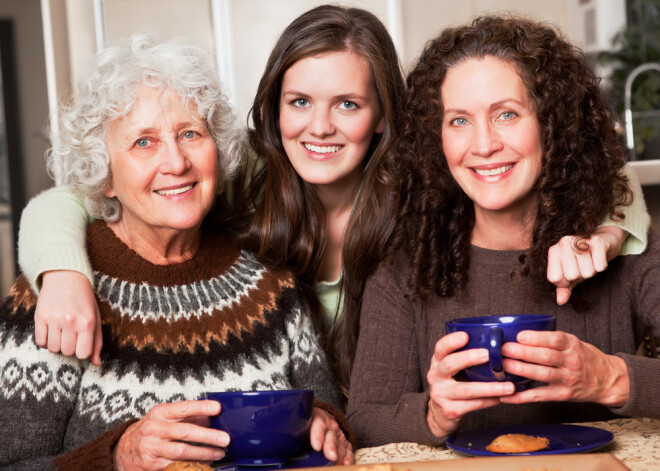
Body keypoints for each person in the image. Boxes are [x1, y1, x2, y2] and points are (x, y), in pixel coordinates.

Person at [17, 6, 648, 399]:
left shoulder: (425, 190)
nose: (319, 127)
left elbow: (599, 187)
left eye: (347, 103)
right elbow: (72, 196)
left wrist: (610, 235)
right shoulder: (239, 181)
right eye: (299, 103)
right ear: (275, 108)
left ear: (381, 117)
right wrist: (63, 273)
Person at [0, 35, 352, 469]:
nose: (177, 162)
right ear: (104, 175)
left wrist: (325, 428)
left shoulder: (271, 285)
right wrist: (117, 457)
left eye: (190, 133)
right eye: (143, 142)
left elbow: (326, 418)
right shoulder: (57, 297)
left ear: (219, 156)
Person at [347, 16, 660, 448]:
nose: (483, 144)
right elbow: (363, 422)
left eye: (506, 114)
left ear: (553, 125)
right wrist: (434, 415)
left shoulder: (623, 250)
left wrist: (610, 379)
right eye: (459, 121)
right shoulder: (407, 269)